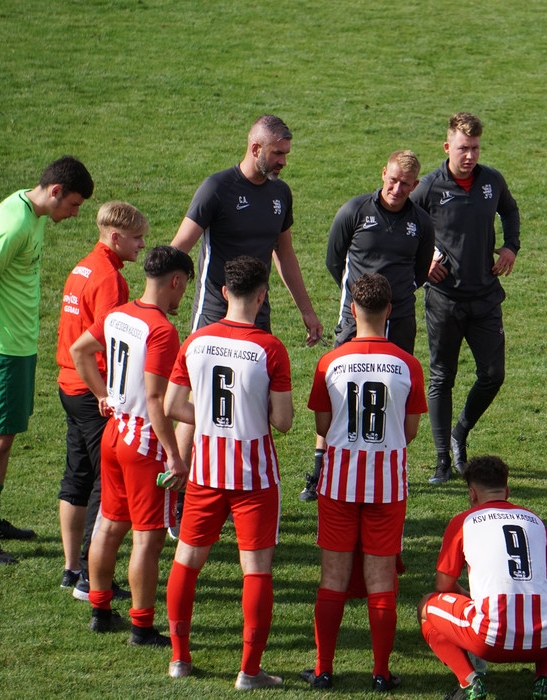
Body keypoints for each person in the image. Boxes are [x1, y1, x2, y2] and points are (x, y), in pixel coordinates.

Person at [163, 256, 293, 690]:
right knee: (255, 570)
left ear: (223, 293)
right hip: (254, 478)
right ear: (262, 296)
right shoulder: (270, 348)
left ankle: (179, 659)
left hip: (205, 473)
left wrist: (210, 418)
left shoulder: (196, 341)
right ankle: (249, 671)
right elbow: (283, 421)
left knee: (187, 561)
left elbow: (172, 405)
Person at [0, 156, 94, 565]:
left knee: (7, 435)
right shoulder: (17, 223)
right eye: (73, 204)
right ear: (55, 191)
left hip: (17, 344)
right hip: (2, 345)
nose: (74, 214)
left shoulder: (30, 212)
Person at [301, 273, 426, 692]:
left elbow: (323, 425)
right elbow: (410, 431)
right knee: (381, 581)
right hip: (387, 487)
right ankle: (381, 672)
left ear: (353, 311)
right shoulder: (408, 365)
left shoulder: (330, 362)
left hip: (338, 485)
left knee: (332, 578)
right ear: (389, 310)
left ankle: (323, 669)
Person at [70, 245, 193, 646]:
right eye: (184, 288)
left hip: (114, 433)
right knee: (147, 538)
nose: (182, 296)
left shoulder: (118, 314)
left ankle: (100, 610)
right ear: (175, 281)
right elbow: (156, 400)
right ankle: (141, 627)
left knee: (108, 524)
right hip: (143, 444)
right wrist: (174, 455)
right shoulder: (162, 330)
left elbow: (78, 351)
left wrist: (102, 394)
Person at [298, 150, 434, 502]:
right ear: (383, 173)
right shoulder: (355, 211)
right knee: (338, 390)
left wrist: (395, 300)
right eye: (393, 180)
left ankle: (390, 465)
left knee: (397, 390)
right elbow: (333, 260)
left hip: (400, 318)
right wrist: (359, 302)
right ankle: (320, 469)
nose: (397, 189)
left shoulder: (421, 222)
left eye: (406, 184)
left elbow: (421, 271)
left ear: (415, 185)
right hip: (354, 319)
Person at [410, 112, 520, 483]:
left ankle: (460, 431)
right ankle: (443, 458)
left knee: (493, 374)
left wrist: (511, 246)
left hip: (485, 296)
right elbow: (405, 224)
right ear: (447, 147)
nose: (470, 155)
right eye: (462, 148)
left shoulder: (491, 181)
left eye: (474, 148)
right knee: (442, 377)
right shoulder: (429, 187)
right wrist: (423, 261)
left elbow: (509, 209)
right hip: (444, 299)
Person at [418, 455, 547, 700]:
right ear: (506, 490)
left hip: (489, 639)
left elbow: (443, 585)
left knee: (426, 605)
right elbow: (545, 585)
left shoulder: (463, 522)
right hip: (543, 639)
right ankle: (544, 679)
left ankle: (469, 682)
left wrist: (468, 598)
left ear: (472, 494)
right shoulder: (536, 521)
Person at [56, 201, 146, 596]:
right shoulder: (110, 279)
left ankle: (71, 569)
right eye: (137, 238)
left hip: (68, 384)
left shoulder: (82, 267)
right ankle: (91, 580)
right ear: (116, 236)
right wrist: (106, 393)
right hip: (93, 389)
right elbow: (112, 339)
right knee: (104, 486)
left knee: (75, 477)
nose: (142, 245)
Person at [170, 114, 322, 342]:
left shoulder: (281, 193)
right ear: (255, 149)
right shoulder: (217, 188)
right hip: (215, 314)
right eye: (277, 153)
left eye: (285, 154)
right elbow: (179, 247)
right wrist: (163, 297)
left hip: (258, 316)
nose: (283, 162)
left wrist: (307, 311)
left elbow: (285, 254)